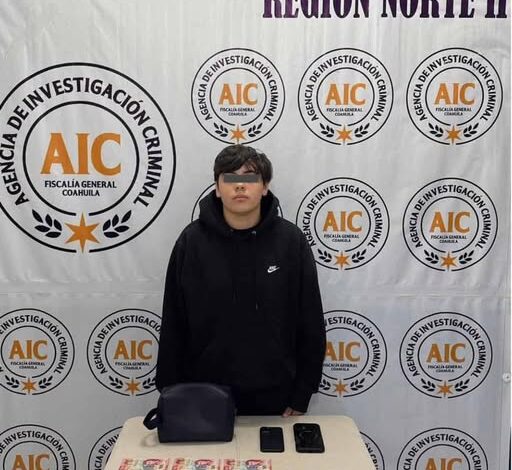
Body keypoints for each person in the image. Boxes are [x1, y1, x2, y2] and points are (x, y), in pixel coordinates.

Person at [155, 144, 326, 416]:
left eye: (250, 178)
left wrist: (302, 391)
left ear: (265, 187)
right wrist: (171, 392)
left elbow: (310, 321)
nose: (240, 186)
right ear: (217, 187)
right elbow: (174, 322)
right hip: (203, 397)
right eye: (230, 178)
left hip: (277, 398)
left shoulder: (291, 242)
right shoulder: (191, 242)